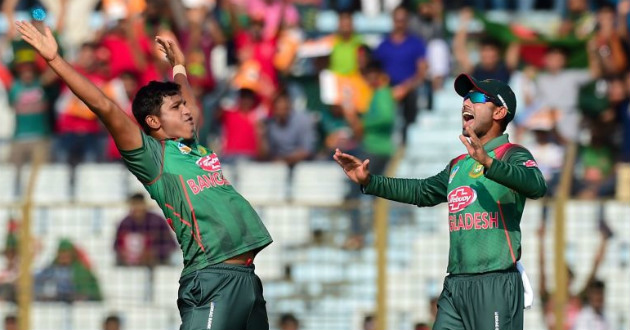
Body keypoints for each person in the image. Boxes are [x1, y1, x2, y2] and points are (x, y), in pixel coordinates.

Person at [16, 19, 272, 330]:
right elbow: (105, 107)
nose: (187, 110)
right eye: (176, 108)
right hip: (212, 277)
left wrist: (179, 66)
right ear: (153, 121)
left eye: (183, 106)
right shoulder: (154, 157)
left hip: (246, 278)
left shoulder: (192, 147)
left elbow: (190, 100)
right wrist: (55, 60)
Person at [334, 73, 547, 330]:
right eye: (465, 98)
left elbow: (536, 185)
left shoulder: (513, 154)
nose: (466, 103)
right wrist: (370, 181)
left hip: (496, 282)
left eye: (477, 98)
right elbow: (422, 191)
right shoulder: (459, 165)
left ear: (500, 112)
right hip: (456, 284)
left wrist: (489, 162)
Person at [373, 5, 427, 144]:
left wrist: (406, 87)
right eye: (397, 20)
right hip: (388, 87)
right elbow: (376, 71)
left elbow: (422, 72)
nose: (400, 23)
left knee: (411, 100)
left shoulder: (416, 44)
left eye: (403, 20)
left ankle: (408, 137)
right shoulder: (383, 45)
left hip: (409, 88)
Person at [113, 193, 178, 267]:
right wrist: (126, 254)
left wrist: (154, 253)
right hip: (131, 266)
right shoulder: (125, 223)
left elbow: (171, 245)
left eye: (139, 204)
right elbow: (116, 247)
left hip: (157, 264)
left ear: (144, 205)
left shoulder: (157, 221)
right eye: (134, 204)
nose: (137, 208)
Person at [34, 238, 102, 302]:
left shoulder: (80, 269)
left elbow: (91, 291)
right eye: (61, 253)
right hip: (60, 299)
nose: (63, 257)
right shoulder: (54, 268)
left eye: (66, 253)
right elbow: (39, 278)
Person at [265, 89, 316, 166]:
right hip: (278, 166)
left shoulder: (304, 120)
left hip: (303, 165)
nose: (282, 112)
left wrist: (284, 160)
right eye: (279, 109)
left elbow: (307, 151)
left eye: (284, 109)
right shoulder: (270, 124)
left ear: (290, 106)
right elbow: (267, 154)